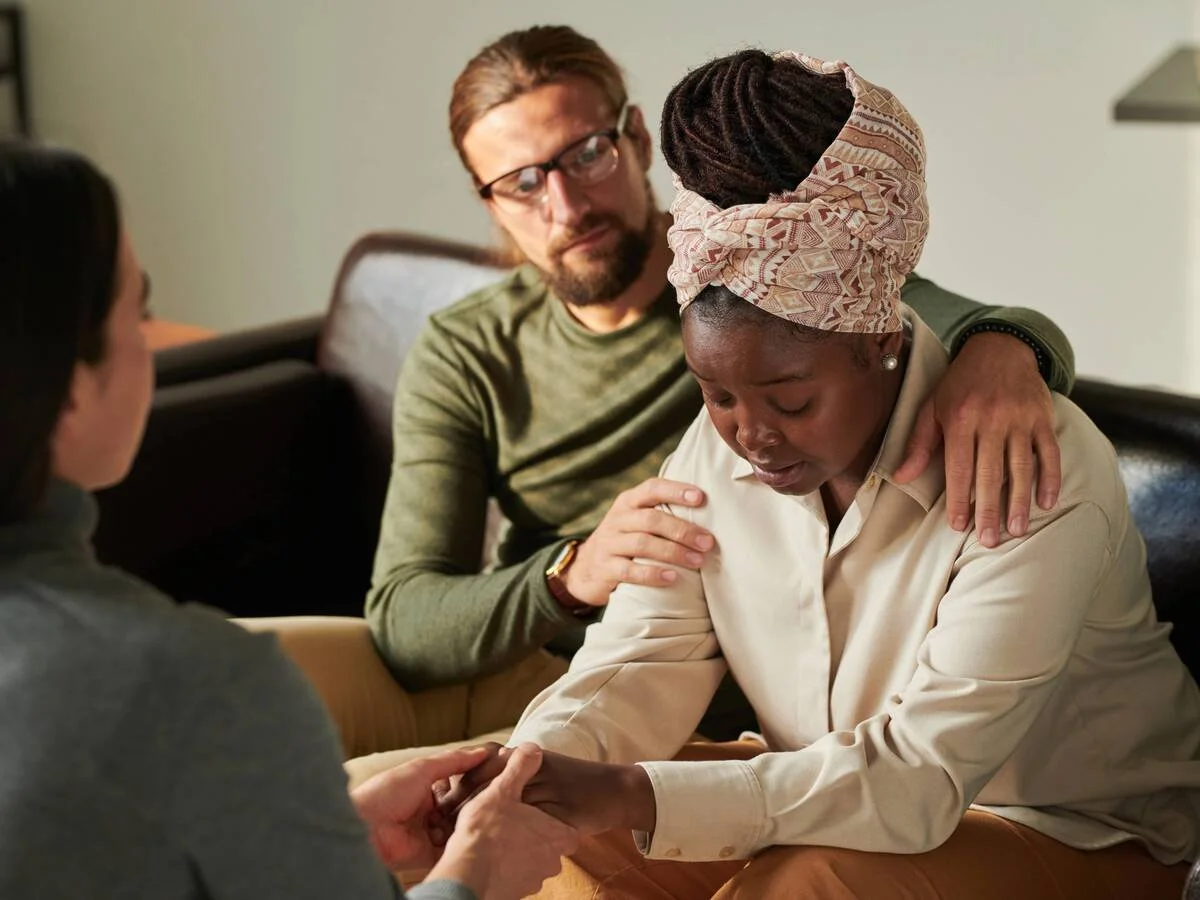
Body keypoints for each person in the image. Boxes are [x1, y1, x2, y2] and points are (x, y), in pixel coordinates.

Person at [442, 48, 1200, 899]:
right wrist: (529, 771)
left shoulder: (1032, 470)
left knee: (805, 884)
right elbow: (643, 655)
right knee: (559, 840)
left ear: (880, 340)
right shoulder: (716, 442)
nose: (751, 436)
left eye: (790, 400)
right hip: (828, 799)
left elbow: (920, 777)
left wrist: (628, 789)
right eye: (716, 392)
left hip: (1072, 835)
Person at [256, 24, 1078, 768]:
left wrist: (1007, 350)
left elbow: (932, 319)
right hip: (521, 657)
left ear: (638, 138)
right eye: (521, 183)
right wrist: (572, 575)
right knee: (212, 674)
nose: (567, 205)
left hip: (661, 697)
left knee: (360, 804)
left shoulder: (766, 284)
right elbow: (404, 621)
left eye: (586, 154)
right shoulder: (468, 347)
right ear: (489, 202)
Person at [0, 141, 577, 900]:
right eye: (138, 311)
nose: (563, 201)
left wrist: (306, 826)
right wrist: (472, 876)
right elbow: (406, 614)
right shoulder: (201, 687)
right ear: (67, 385)